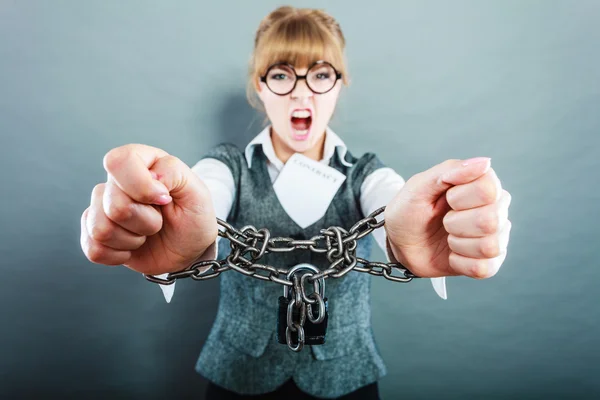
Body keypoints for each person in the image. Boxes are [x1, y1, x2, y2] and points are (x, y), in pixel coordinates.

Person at [80, 5, 512, 400]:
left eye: (321, 75)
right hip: (238, 376)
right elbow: (205, 193)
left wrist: (420, 229)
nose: (301, 94)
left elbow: (393, 203)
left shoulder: (366, 175)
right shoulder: (228, 167)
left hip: (345, 379)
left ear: (339, 86)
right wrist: (178, 219)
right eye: (282, 74)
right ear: (260, 86)